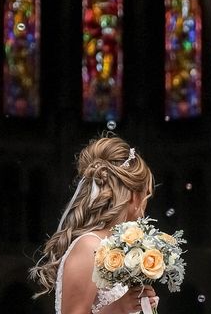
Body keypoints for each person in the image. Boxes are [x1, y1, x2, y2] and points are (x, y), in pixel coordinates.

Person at [30, 134, 159, 314]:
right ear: (133, 196)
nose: (145, 206)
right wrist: (119, 307)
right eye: (146, 195)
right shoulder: (89, 246)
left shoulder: (119, 249)